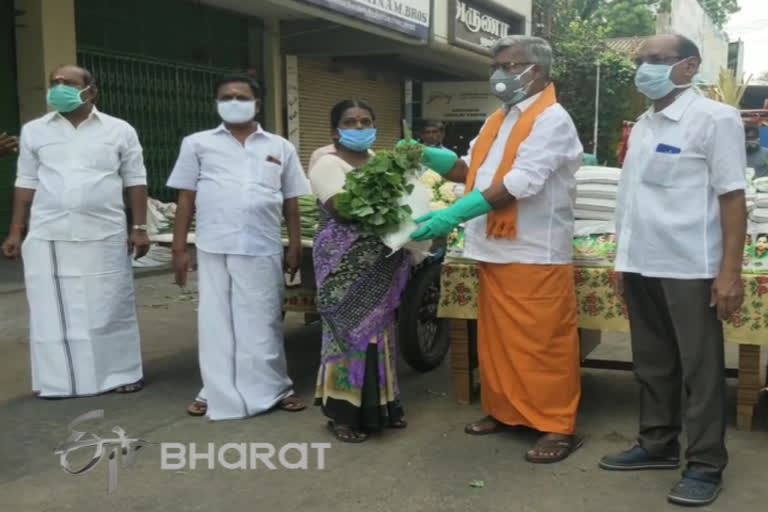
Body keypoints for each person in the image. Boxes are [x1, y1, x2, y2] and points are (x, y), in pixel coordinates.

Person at [407, 35, 585, 462]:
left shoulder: (552, 119)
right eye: (496, 65)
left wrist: (452, 216)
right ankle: (506, 412)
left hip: (533, 250)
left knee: (543, 344)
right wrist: (427, 155)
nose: (498, 74)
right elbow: (472, 171)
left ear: (536, 70)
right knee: (498, 342)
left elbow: (521, 183)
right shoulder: (497, 120)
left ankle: (556, 427)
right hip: (492, 248)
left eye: (508, 65)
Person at [600, 35, 747, 507]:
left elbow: (732, 198)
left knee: (699, 369)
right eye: (641, 60)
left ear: (689, 67)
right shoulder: (644, 124)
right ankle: (657, 443)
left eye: (656, 60)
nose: (644, 68)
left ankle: (705, 463)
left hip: (690, 264)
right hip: (642, 261)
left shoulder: (714, 118)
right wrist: (621, 259)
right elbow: (633, 200)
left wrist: (729, 273)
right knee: (652, 361)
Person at [167, 74, 309, 421]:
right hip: (215, 245)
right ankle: (212, 391)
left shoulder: (280, 147)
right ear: (217, 103)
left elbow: (291, 201)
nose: (234, 101)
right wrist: (178, 248)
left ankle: (275, 389)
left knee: (262, 322)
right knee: (217, 322)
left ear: (256, 103)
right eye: (226, 97)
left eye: (241, 96)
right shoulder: (197, 143)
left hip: (262, 245)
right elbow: (186, 198)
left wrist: (293, 245)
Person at [1, 65, 148, 397]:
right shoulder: (35, 131)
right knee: (50, 309)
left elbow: (135, 180)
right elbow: (26, 182)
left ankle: (120, 374)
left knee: (109, 306)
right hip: (49, 232)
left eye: (68, 83)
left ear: (91, 91)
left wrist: (139, 227)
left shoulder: (119, 130)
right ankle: (59, 381)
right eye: (54, 83)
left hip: (106, 231)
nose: (58, 88)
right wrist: (15, 231)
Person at [309, 99, 409, 443]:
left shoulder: (381, 163)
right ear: (335, 129)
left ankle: (384, 405)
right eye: (350, 122)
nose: (359, 127)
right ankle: (343, 413)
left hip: (382, 255)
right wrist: (396, 208)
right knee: (346, 329)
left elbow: (405, 199)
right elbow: (342, 208)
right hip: (343, 259)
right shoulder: (327, 164)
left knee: (380, 331)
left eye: (365, 120)